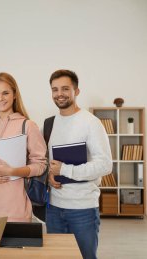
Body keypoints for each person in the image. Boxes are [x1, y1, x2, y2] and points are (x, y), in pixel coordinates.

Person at [45, 69, 112, 259]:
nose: (60, 94)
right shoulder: (49, 124)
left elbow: (105, 165)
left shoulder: (91, 123)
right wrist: (50, 175)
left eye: (65, 89)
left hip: (83, 210)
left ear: (76, 91)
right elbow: (50, 163)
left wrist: (65, 169)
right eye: (55, 89)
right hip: (54, 208)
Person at [0, 72, 47, 222]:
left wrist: (13, 171)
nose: (0, 98)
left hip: (17, 203)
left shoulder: (28, 125)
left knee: (15, 245)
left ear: (14, 95)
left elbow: (40, 165)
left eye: (5, 93)